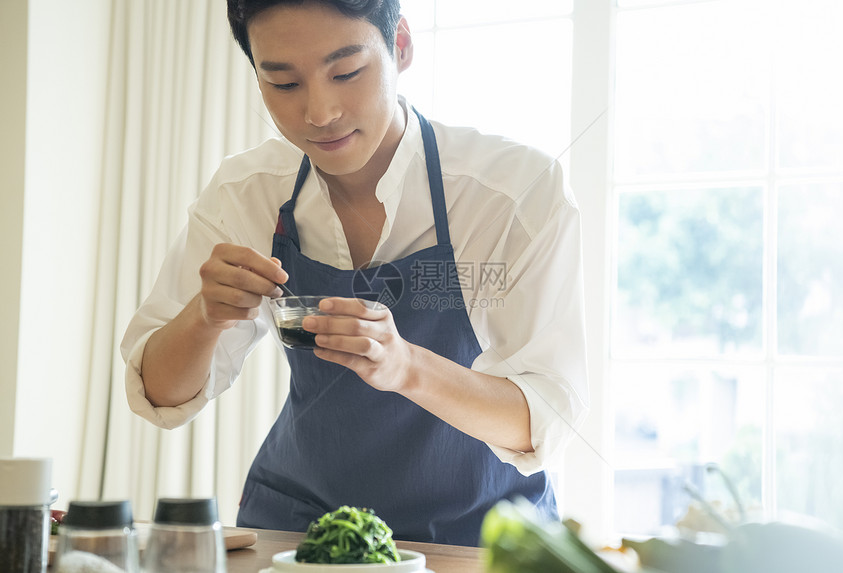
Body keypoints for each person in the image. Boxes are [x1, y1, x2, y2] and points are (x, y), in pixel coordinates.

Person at [121, 0, 589, 547]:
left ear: (402, 47)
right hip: (302, 530)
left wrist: (405, 364)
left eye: (346, 72)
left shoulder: (512, 193)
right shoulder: (245, 192)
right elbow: (158, 393)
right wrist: (203, 317)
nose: (319, 113)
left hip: (478, 536)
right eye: (284, 84)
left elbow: (544, 420)